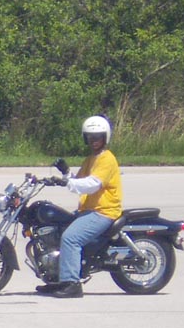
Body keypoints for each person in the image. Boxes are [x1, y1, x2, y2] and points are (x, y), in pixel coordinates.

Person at [38, 115, 123, 299]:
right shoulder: (91, 159)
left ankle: (72, 284)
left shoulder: (107, 159)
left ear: (105, 137)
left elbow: (92, 184)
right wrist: (66, 173)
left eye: (98, 137)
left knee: (70, 239)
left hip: (103, 211)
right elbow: (79, 182)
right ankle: (58, 280)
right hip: (89, 210)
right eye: (90, 137)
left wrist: (67, 182)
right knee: (60, 230)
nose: (94, 141)